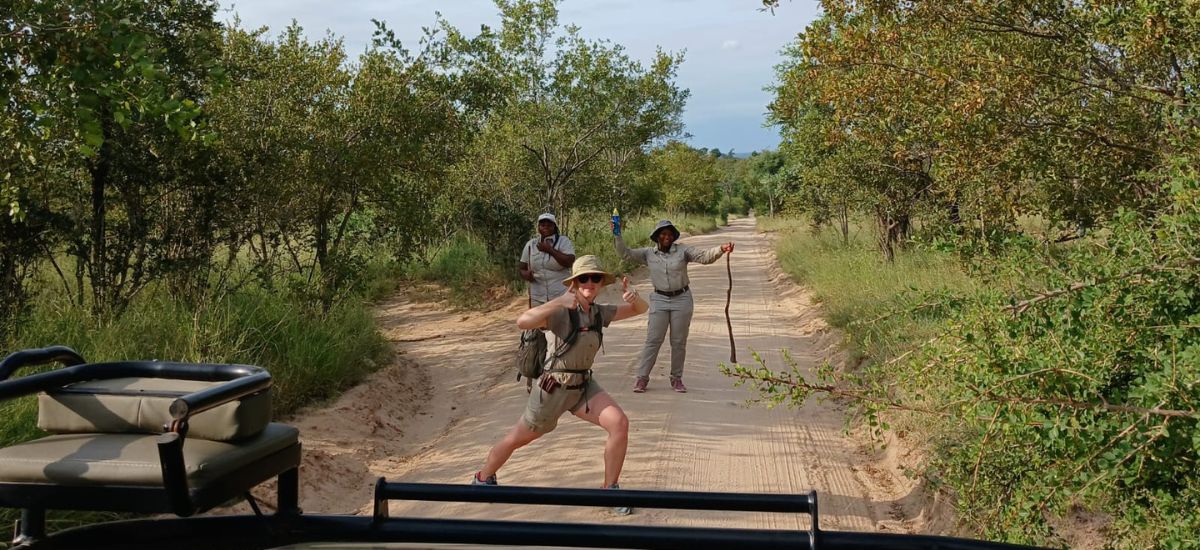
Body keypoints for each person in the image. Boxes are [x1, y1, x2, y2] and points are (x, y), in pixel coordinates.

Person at [473, 255, 649, 514]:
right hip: (553, 388)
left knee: (619, 423)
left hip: (582, 388)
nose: (589, 283)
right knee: (517, 439)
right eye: (583, 278)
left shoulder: (598, 313)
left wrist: (635, 298)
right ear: (575, 283)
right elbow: (522, 321)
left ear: (601, 283)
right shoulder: (560, 312)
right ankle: (482, 478)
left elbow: (640, 310)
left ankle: (609, 490)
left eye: (595, 278)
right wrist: (558, 301)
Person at [614, 219, 734, 393]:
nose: (666, 237)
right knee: (653, 340)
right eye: (663, 234)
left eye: (670, 234)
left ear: (674, 236)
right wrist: (617, 235)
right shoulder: (648, 254)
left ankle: (676, 379)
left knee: (678, 342)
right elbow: (625, 254)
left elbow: (704, 257)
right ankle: (642, 378)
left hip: (682, 299)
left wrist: (721, 249)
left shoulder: (683, 250)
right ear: (656, 236)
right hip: (659, 300)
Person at [519, 213, 576, 306]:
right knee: (540, 321)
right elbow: (521, 268)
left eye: (549, 225)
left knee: (560, 320)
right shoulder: (531, 245)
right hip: (537, 297)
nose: (546, 227)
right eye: (542, 225)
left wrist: (550, 250)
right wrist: (525, 274)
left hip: (560, 295)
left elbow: (569, 262)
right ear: (538, 227)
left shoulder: (563, 241)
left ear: (554, 226)